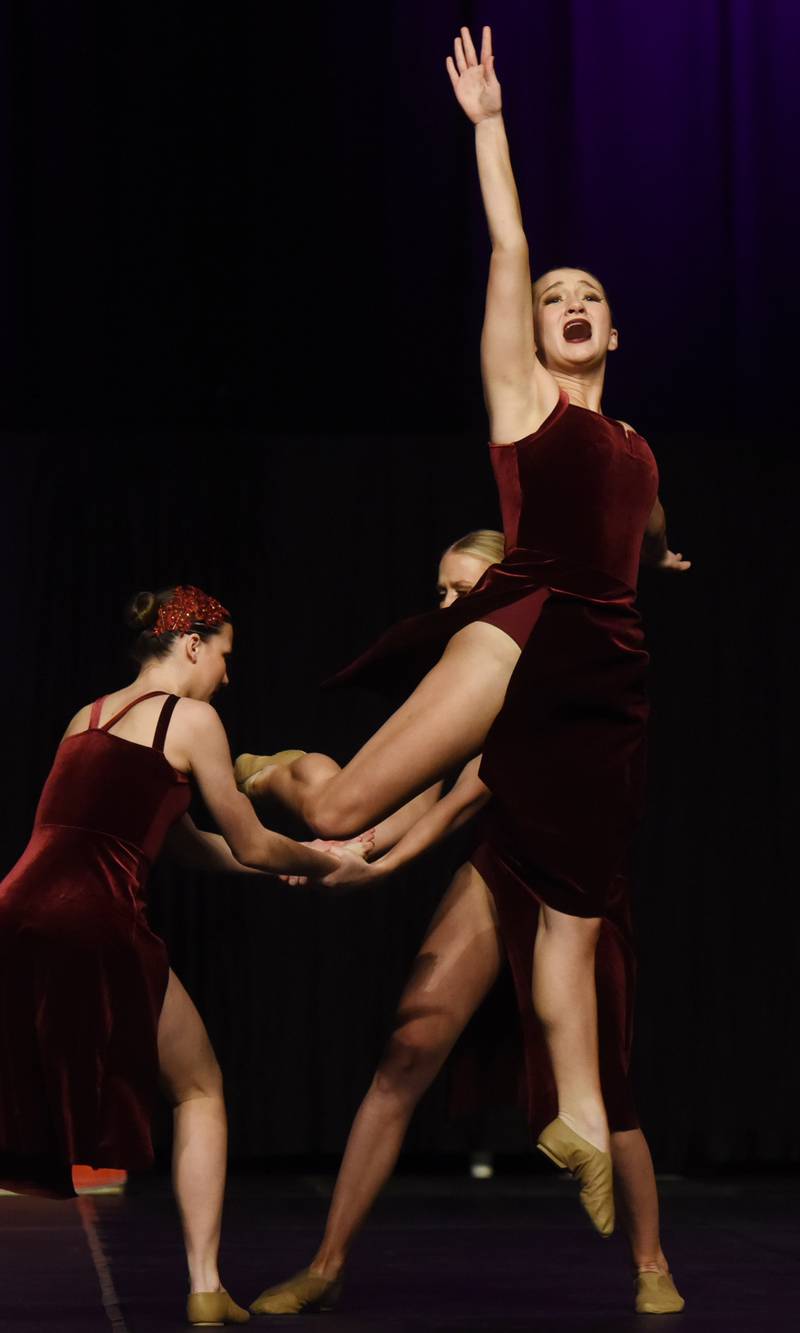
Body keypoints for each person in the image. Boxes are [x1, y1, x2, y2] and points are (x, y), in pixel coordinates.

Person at [237, 20, 688, 1254]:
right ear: (532, 339)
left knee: (576, 900)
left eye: (591, 297)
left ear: (615, 331)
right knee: (334, 817)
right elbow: (508, 245)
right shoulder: (524, 403)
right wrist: (489, 129)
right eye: (556, 300)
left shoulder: (636, 442)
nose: (572, 303)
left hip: (607, 672)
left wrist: (663, 546)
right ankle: (270, 766)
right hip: (524, 630)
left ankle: (583, 1119)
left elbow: (634, 517)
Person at [246, 531, 684, 1317]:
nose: (449, 607)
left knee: (605, 1090)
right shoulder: (471, 674)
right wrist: (352, 844)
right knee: (407, 1050)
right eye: (442, 592)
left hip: (577, 894)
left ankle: (651, 1260)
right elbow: (425, 785)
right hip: (500, 870)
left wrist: (371, 859)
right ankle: (327, 1261)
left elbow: (462, 798)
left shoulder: (556, 666)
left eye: (463, 591)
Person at [0, 585, 361, 1328]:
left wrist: (272, 864)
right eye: (225, 655)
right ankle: (204, 1284)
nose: (228, 675)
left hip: (19, 904)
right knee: (199, 1089)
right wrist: (331, 861)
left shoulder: (87, 715)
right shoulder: (193, 718)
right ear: (194, 645)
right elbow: (255, 836)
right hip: (93, 910)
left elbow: (185, 843)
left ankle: (206, 1285)